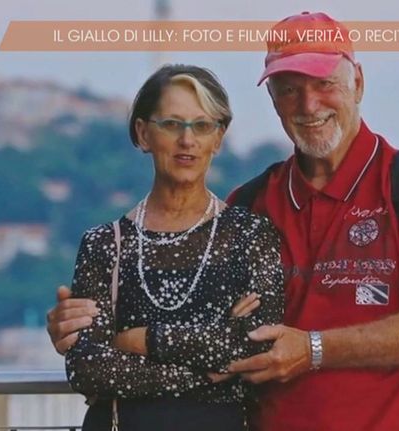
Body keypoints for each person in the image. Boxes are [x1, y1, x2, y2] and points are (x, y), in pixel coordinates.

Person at [49, 12, 399, 431]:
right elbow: (195, 331)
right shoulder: (252, 204)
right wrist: (81, 329)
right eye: (289, 90)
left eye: (324, 84)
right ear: (272, 99)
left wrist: (312, 349)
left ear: (358, 83)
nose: (308, 104)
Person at [61, 64, 284, 431]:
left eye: (202, 125)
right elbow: (89, 369)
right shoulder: (104, 244)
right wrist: (208, 368)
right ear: (143, 133)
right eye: (171, 124)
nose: (187, 140)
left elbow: (256, 344)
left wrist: (142, 339)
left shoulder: (250, 235)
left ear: (219, 138)